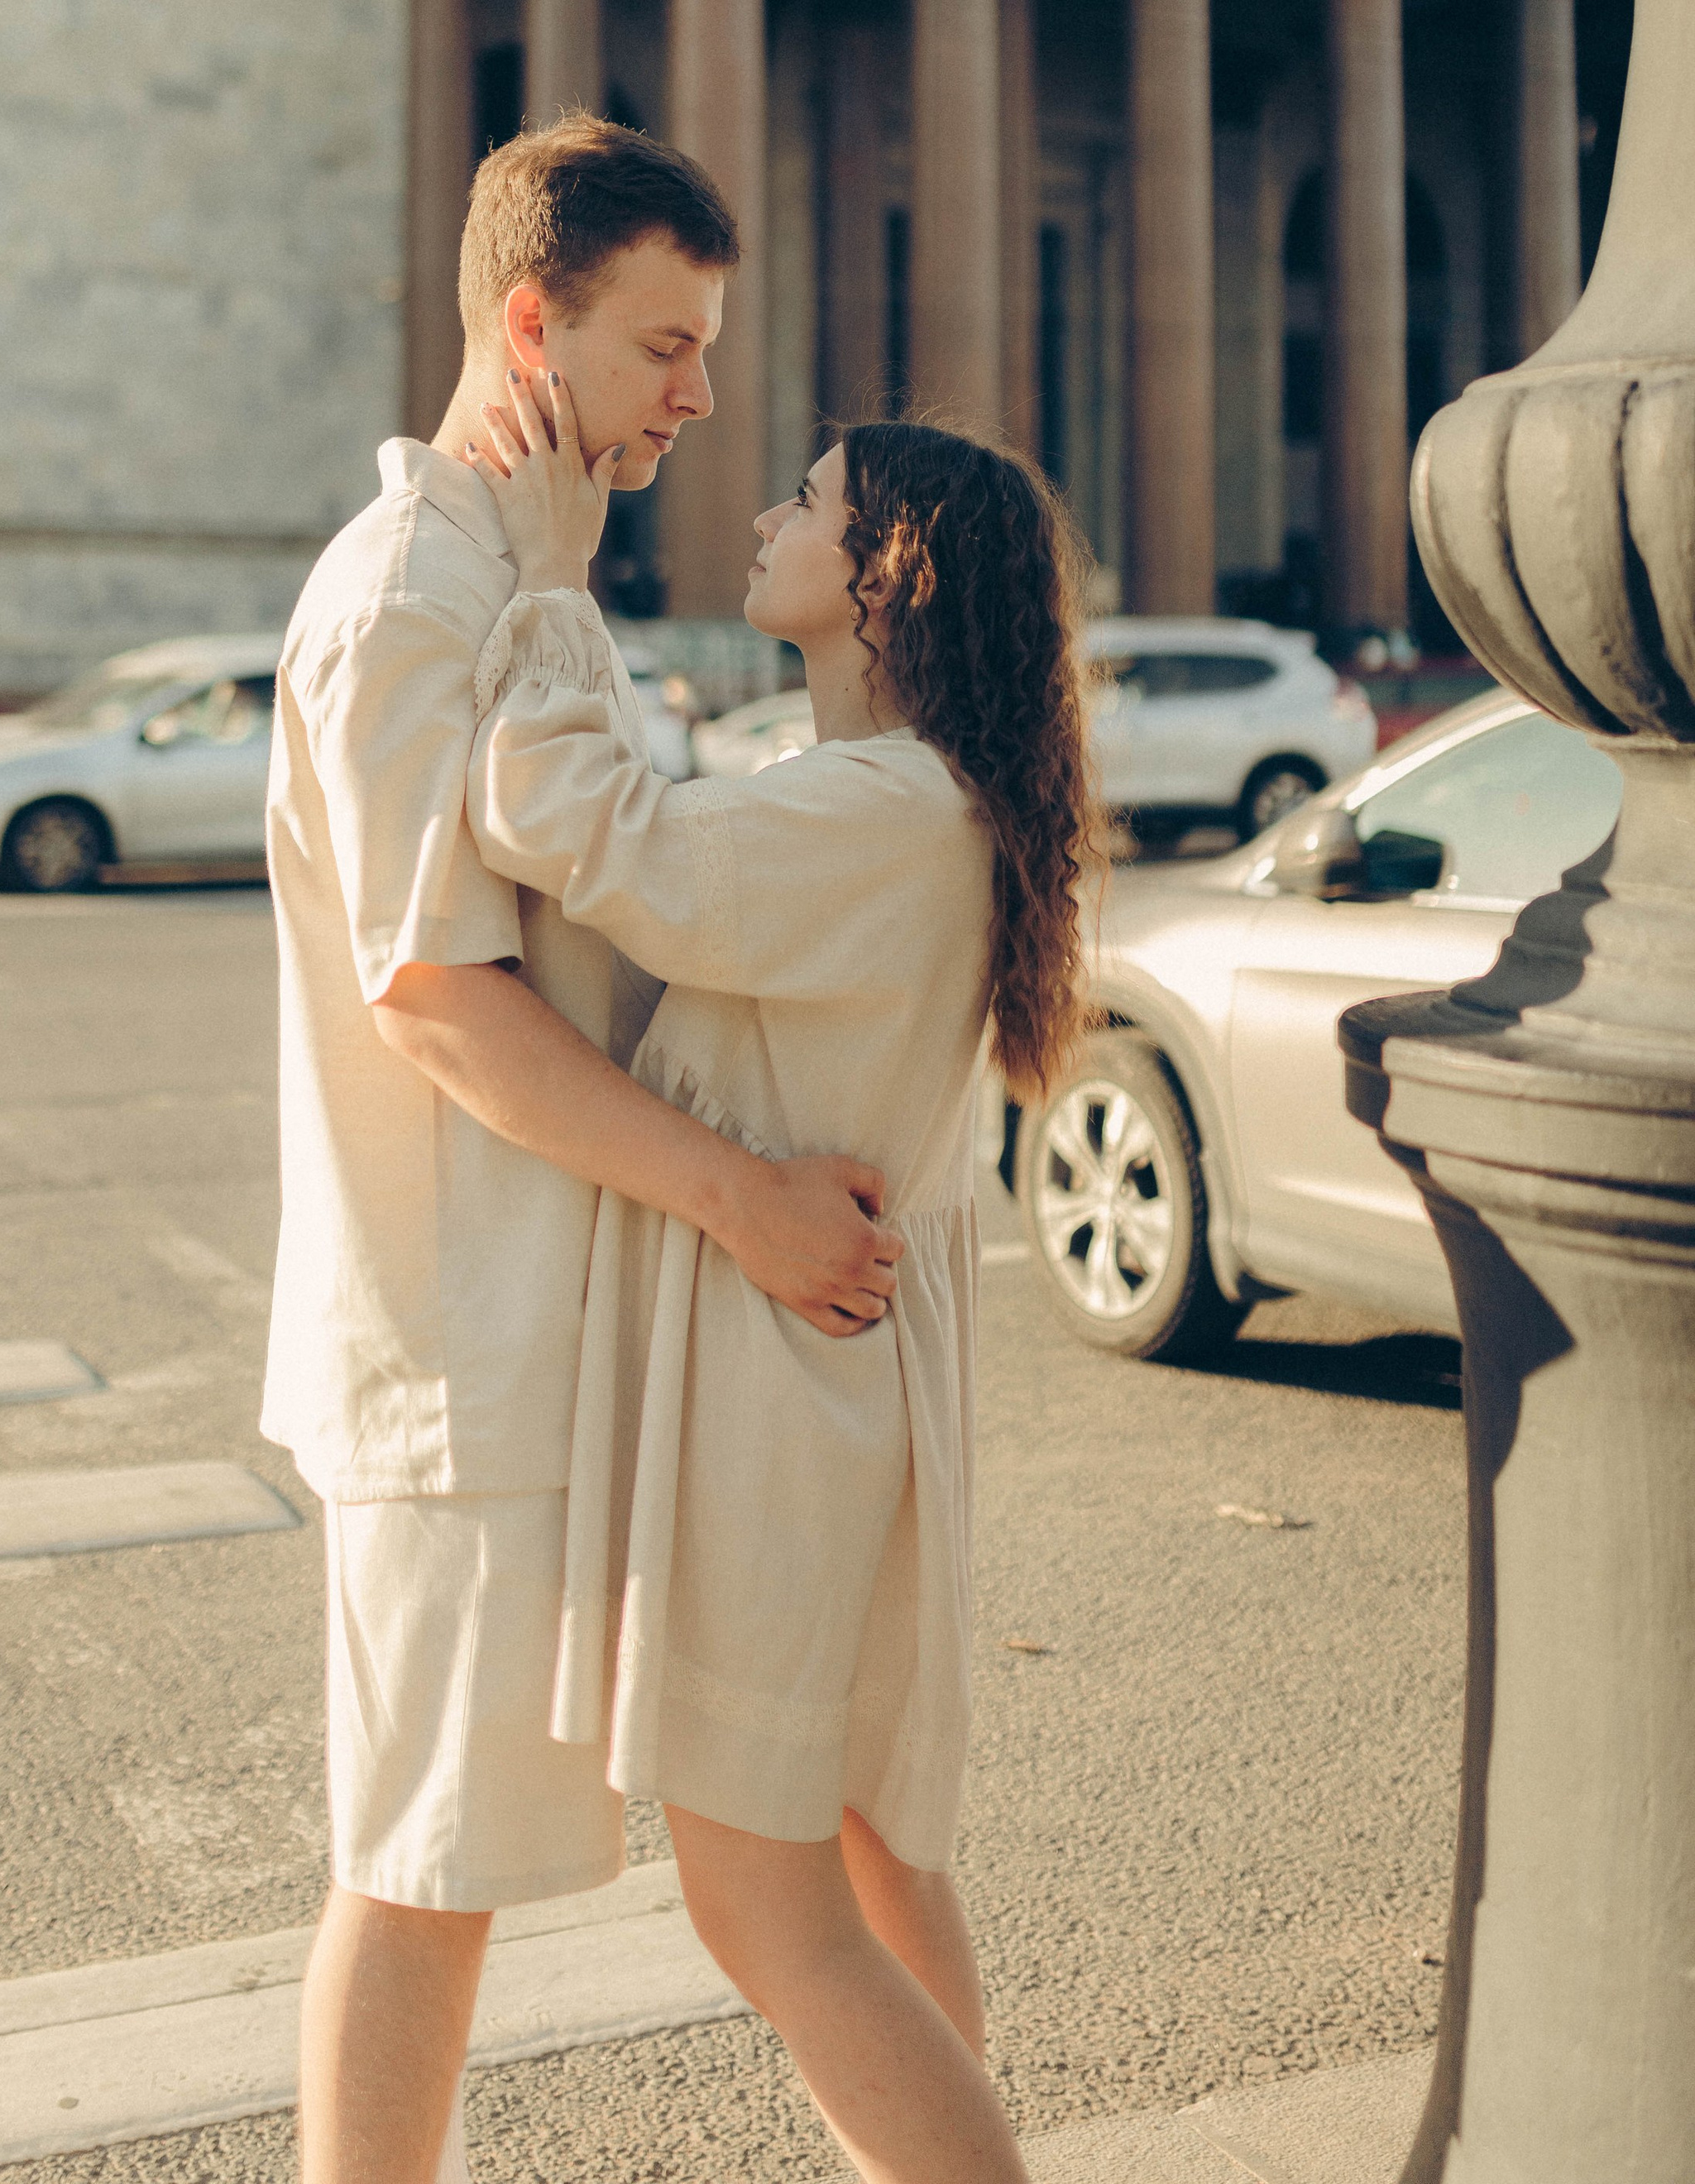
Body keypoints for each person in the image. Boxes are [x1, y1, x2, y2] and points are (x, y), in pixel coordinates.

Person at [262, 114, 904, 2184]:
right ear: (528, 324)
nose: (698, 399)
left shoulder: (523, 576)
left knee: (511, 1854)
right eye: (662, 346)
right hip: (459, 1338)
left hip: (562, 1322)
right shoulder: (403, 595)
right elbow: (432, 996)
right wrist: (743, 1197)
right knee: (419, 1857)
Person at [463, 386, 1102, 2184]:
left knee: (768, 1910)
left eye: (807, 501)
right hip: (832, 1376)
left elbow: (573, 826)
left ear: (881, 570)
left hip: (778, 1391)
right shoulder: (908, 799)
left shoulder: (881, 809)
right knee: (876, 1854)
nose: (762, 516)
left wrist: (544, 581)